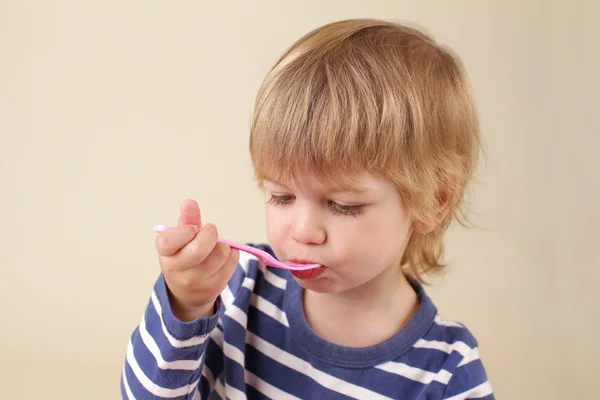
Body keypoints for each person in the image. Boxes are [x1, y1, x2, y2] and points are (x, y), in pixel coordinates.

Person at [121, 18, 494, 399]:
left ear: (434, 201)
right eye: (282, 197)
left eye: (342, 205)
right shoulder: (240, 291)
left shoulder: (447, 370)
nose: (302, 231)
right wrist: (186, 306)